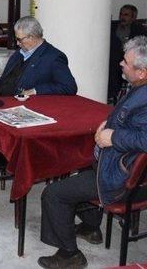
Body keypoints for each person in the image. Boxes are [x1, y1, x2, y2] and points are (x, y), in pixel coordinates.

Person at [38, 36, 147, 269]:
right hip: (119, 165)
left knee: (53, 194)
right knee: (76, 162)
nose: (120, 64)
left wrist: (112, 137)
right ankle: (90, 227)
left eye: (126, 63)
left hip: (123, 179)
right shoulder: (139, 88)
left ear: (142, 72)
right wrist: (108, 128)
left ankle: (70, 254)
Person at [0, 16, 77, 96]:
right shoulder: (19, 53)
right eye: (16, 39)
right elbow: (4, 79)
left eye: (19, 39)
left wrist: (35, 90)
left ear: (32, 37)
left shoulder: (53, 57)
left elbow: (69, 87)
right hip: (0, 98)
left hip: (20, 104)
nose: (17, 43)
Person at [108, 4, 146, 102]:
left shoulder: (140, 31)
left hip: (131, 63)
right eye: (121, 14)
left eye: (126, 15)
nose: (122, 17)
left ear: (134, 17)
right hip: (113, 62)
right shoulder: (112, 27)